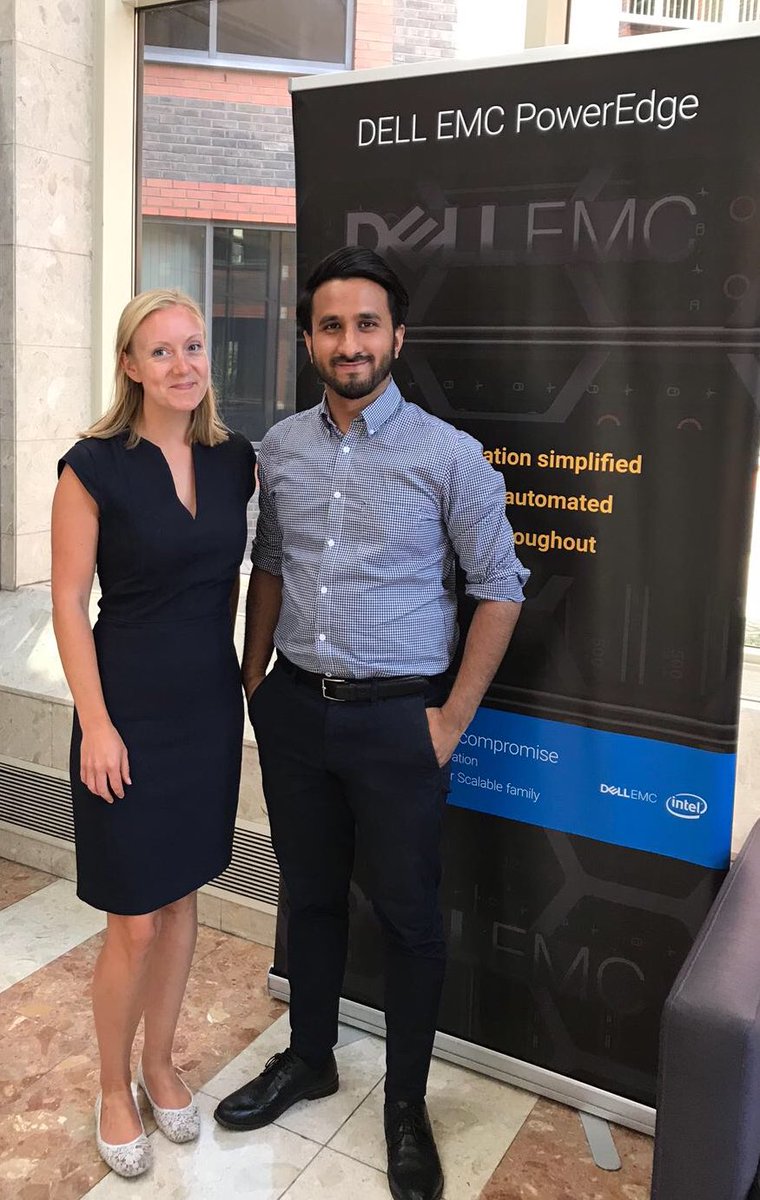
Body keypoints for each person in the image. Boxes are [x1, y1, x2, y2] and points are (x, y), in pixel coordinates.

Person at [213, 246, 528, 1200]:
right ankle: (310, 1058)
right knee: (308, 899)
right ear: (308, 338)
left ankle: (404, 1106)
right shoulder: (281, 449)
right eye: (331, 326)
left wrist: (450, 722)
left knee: (409, 919)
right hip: (296, 714)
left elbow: (501, 589)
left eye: (366, 325)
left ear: (397, 337)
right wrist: (255, 677)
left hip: (399, 725)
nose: (348, 343)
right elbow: (271, 564)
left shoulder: (447, 456)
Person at [51, 289, 255, 1178]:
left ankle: (161, 1064)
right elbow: (68, 603)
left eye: (194, 347)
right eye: (161, 351)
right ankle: (112, 1087)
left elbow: (235, 576)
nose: (182, 365)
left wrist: (238, 673)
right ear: (130, 365)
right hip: (125, 713)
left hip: (207, 709)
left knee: (180, 901)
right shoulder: (92, 467)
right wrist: (96, 724)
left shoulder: (234, 459)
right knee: (133, 919)